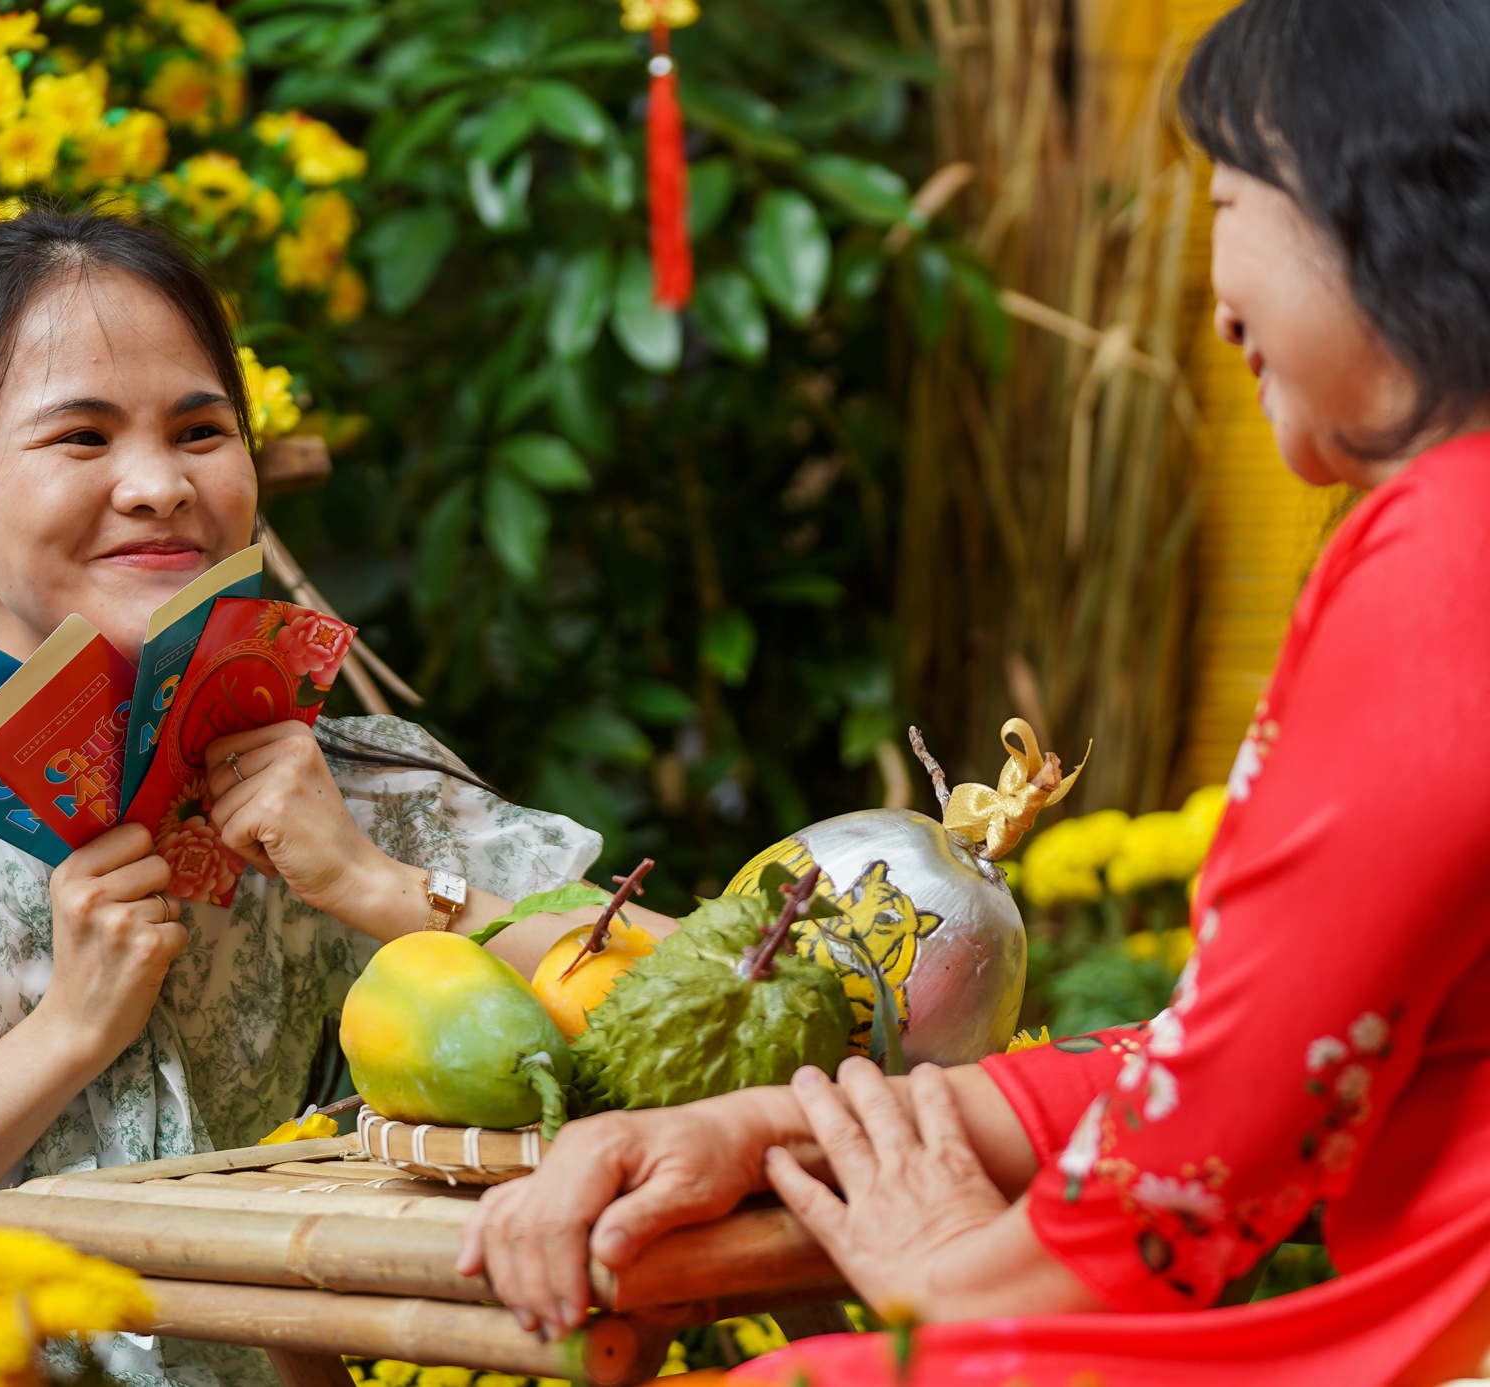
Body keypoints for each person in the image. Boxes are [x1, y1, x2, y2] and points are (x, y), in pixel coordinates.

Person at [456, 1, 1490, 1382]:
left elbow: (1210, 1147)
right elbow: (1212, 1067)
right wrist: (771, 1125)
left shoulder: (1448, 554)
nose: (1216, 289)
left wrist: (963, 1275)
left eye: (1231, 199)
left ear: (1378, 208)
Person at [0, 209, 618, 1387]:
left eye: (201, 429)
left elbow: (705, 995)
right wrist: (65, 1035)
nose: (157, 485)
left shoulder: (326, 780)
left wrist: (374, 883)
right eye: (80, 436)